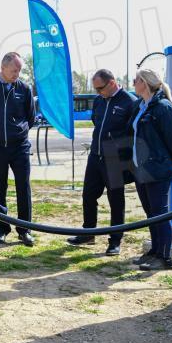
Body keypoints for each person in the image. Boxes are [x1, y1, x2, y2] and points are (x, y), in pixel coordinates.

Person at [67, 70, 137, 255]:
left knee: (116, 201)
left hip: (115, 159)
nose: (98, 92)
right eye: (96, 89)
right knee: (88, 195)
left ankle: (115, 240)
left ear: (112, 83)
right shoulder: (99, 101)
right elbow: (96, 122)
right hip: (95, 155)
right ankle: (88, 233)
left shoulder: (129, 102)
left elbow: (134, 133)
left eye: (100, 88)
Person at [129, 68, 172, 271]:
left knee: (160, 213)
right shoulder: (141, 106)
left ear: (144, 83)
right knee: (151, 213)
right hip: (141, 169)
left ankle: (164, 257)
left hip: (158, 169)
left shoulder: (163, 107)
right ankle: (155, 251)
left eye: (135, 80)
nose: (133, 83)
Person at [0, 51, 36, 246]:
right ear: (2, 68)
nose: (17, 74)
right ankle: (1, 229)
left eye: (19, 70)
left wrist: (18, 131)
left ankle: (24, 230)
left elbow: (30, 118)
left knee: (23, 187)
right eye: (14, 70)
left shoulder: (24, 89)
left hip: (19, 147)